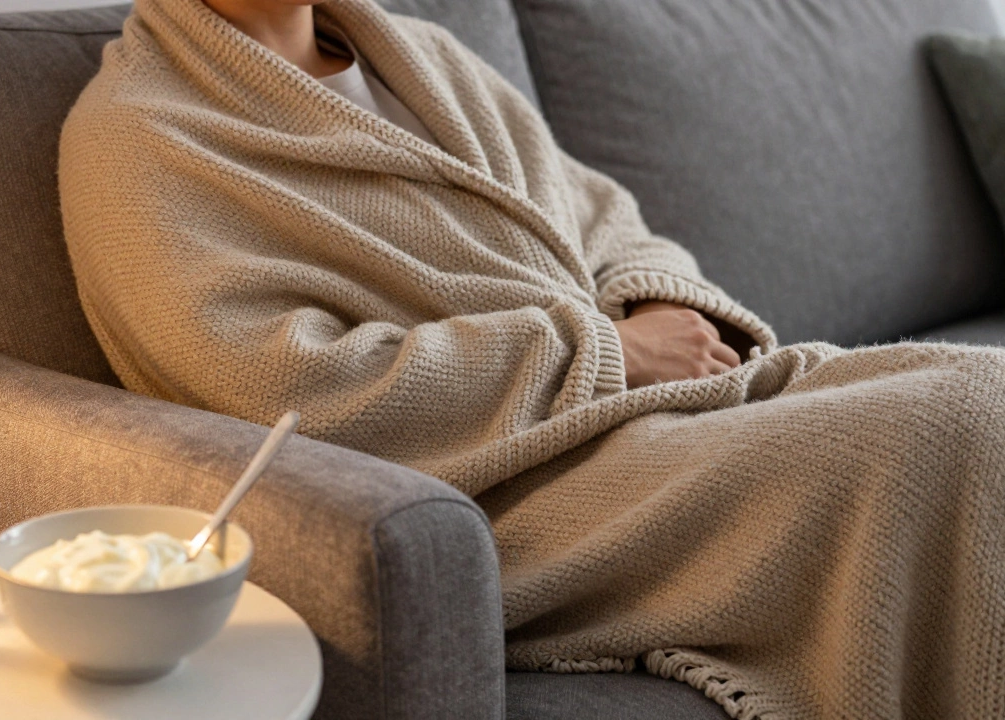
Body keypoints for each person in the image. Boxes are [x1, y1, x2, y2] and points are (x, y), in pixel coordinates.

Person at [57, 0, 1005, 717]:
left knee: (985, 384)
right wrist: (603, 350)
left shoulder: (420, 56)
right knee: (941, 435)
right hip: (508, 480)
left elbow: (600, 214)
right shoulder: (139, 134)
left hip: (648, 407)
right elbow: (282, 388)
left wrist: (655, 301)